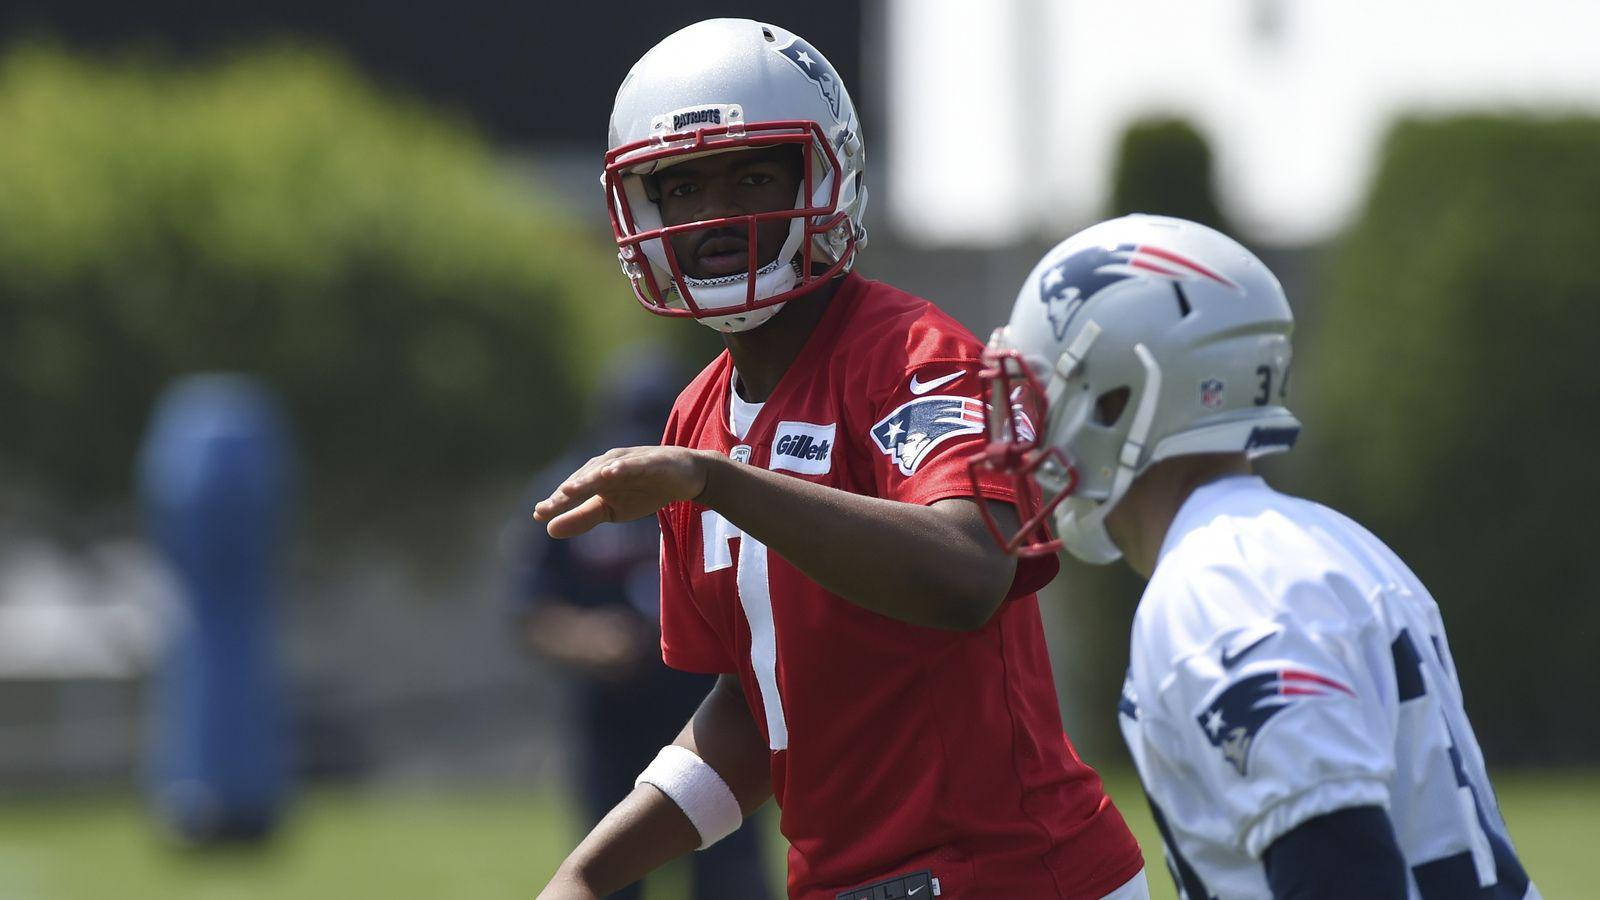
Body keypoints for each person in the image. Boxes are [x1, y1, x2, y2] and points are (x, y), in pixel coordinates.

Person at [533, 18, 1146, 900]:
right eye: (682, 185)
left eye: (750, 176)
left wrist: (721, 484)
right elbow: (762, 709)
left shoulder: (914, 356)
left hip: (1015, 875)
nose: (713, 216)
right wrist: (588, 875)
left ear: (826, 176)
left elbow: (967, 574)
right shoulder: (695, 418)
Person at [970, 214, 1540, 899]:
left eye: (1041, 397)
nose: (1023, 437)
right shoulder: (1328, 545)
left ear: (1120, 398)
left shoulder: (1220, 587)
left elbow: (1339, 869)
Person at [508, 347, 772, 900]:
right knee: (611, 875)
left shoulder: (716, 481)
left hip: (708, 710)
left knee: (730, 879)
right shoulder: (569, 489)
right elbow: (529, 610)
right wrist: (587, 640)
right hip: (614, 713)